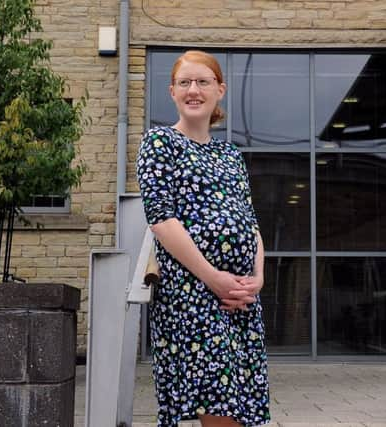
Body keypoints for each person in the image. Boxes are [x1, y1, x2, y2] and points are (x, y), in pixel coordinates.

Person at [136, 50, 270, 427]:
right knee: (220, 406)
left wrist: (256, 279)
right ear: (173, 92)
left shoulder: (231, 154)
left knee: (241, 406)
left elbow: (251, 223)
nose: (193, 90)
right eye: (185, 83)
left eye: (203, 82)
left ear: (220, 90)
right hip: (194, 293)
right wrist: (215, 279)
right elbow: (161, 220)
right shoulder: (160, 143)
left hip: (240, 298)